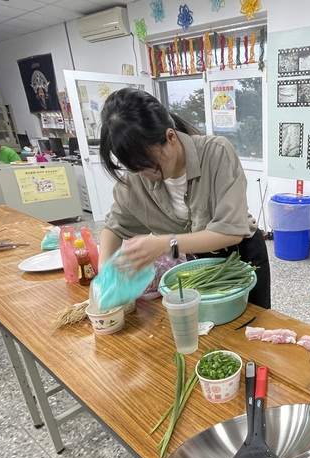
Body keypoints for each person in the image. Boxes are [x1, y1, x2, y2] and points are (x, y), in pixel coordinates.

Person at [98, 88, 271, 309]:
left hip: (240, 257)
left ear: (170, 137)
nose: (147, 177)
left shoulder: (216, 152)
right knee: (207, 328)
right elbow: (115, 226)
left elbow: (232, 231)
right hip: (196, 263)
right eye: (136, 169)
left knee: (249, 327)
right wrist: (104, 273)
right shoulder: (137, 176)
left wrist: (164, 244)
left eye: (151, 167)